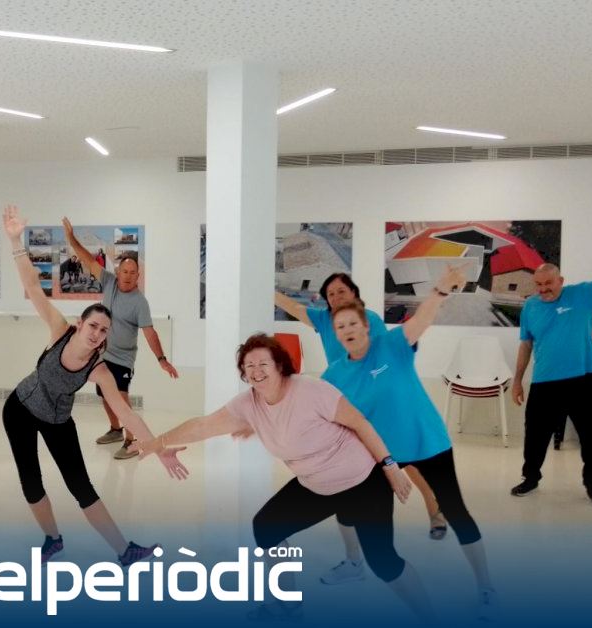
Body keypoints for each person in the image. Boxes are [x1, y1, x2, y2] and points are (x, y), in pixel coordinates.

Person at [137, 334, 433, 622]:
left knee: (384, 563)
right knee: (267, 528)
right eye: (249, 366)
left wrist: (390, 467)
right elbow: (202, 426)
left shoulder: (310, 390)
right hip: (315, 483)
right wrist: (157, 443)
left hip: (363, 480)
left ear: (279, 365)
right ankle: (288, 605)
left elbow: (359, 422)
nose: (256, 371)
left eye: (263, 363)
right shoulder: (248, 405)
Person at [2, 206, 187, 565]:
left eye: (104, 331)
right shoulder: (59, 330)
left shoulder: (99, 369)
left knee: (81, 486)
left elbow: (126, 414)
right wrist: (14, 241)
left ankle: (124, 551)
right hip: (20, 409)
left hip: (57, 419)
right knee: (31, 481)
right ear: (80, 324)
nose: (97, 334)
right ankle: (52, 539)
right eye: (93, 326)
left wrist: (158, 447)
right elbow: (33, 286)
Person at [323, 264, 497, 620]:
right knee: (349, 508)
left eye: (353, 323)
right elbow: (314, 409)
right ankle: (356, 563)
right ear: (335, 335)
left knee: (457, 511)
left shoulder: (392, 345)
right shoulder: (335, 375)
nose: (348, 330)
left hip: (428, 442)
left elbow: (422, 319)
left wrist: (441, 291)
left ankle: (486, 586)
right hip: (382, 456)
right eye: (340, 327)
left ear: (366, 326)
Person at [275, 273, 447, 589]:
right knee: (348, 472)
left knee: (403, 460)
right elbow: (291, 306)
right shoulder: (323, 319)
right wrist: (261, 286)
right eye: (330, 293)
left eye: (341, 291)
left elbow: (385, 358)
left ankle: (433, 507)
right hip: (344, 401)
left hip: (374, 401)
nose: (335, 297)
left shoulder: (369, 320)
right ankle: (353, 556)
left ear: (354, 293)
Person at [511, 227, 592, 509]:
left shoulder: (580, 294)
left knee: (590, 437)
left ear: (561, 280)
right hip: (544, 381)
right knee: (535, 435)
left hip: (582, 378)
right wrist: (518, 380)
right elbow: (526, 344)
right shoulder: (530, 307)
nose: (543, 289)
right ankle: (530, 478)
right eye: (538, 284)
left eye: (549, 283)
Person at [61, 217, 178, 460]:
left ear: (138, 276)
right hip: (102, 353)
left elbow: (150, 332)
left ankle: (132, 441)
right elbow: (87, 260)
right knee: (104, 395)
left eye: (132, 273)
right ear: (118, 272)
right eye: (124, 271)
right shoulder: (109, 282)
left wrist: (162, 359)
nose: (127, 276)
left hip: (123, 358)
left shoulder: (140, 303)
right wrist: (71, 239)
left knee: (122, 401)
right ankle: (115, 430)